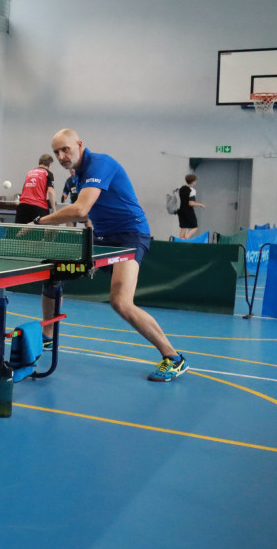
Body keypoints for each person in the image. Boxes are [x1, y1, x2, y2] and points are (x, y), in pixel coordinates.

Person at [35, 128, 188, 382]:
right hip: (102, 237)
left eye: (66, 149)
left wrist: (42, 222)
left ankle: (174, 358)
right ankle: (48, 337)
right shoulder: (78, 176)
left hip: (130, 236)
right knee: (53, 272)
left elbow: (81, 208)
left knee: (120, 302)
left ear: (80, 145)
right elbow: (86, 214)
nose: (61, 156)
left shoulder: (100, 164)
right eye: (56, 152)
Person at [14, 154, 56, 225]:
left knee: (18, 233)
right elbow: (50, 192)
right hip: (38, 207)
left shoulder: (30, 172)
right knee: (39, 234)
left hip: (22, 206)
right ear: (49, 164)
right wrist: (54, 209)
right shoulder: (47, 173)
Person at [177, 174, 205, 239]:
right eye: (195, 180)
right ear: (193, 182)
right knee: (195, 227)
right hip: (188, 211)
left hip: (180, 210)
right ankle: (187, 239)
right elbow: (191, 203)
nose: (196, 182)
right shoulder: (192, 190)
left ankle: (181, 243)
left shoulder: (181, 188)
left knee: (183, 227)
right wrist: (201, 204)